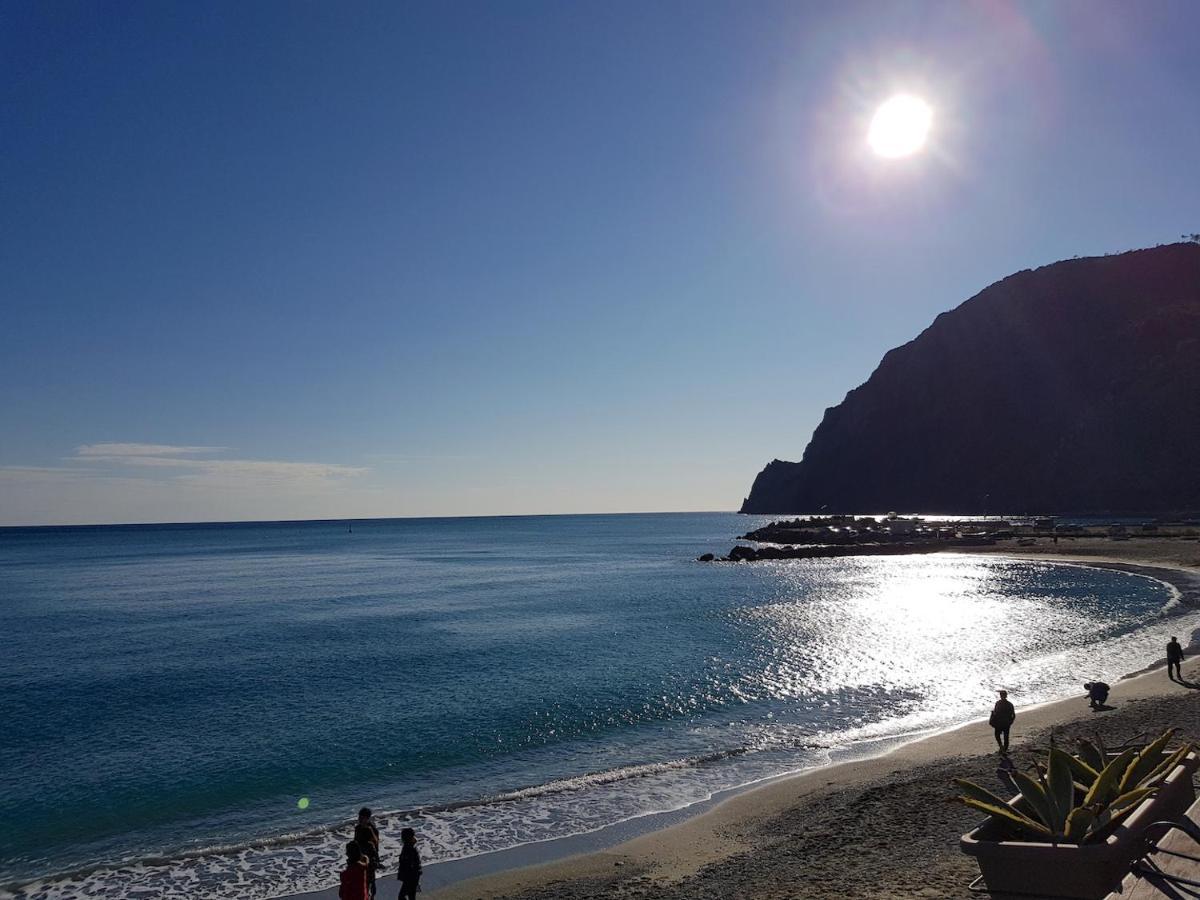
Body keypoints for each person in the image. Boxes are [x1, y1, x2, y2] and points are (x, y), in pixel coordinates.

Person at [353, 808, 381, 899]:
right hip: (359, 858)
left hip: (370, 858)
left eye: (362, 817)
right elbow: (355, 843)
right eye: (359, 817)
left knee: (371, 881)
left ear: (367, 818)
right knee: (361, 882)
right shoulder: (357, 828)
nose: (359, 819)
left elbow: (376, 844)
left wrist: (377, 860)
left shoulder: (373, 829)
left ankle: (372, 897)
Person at [397, 827, 423, 900]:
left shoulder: (408, 848)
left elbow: (408, 865)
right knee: (411, 896)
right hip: (413, 876)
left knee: (401, 896)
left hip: (410, 877)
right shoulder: (411, 847)